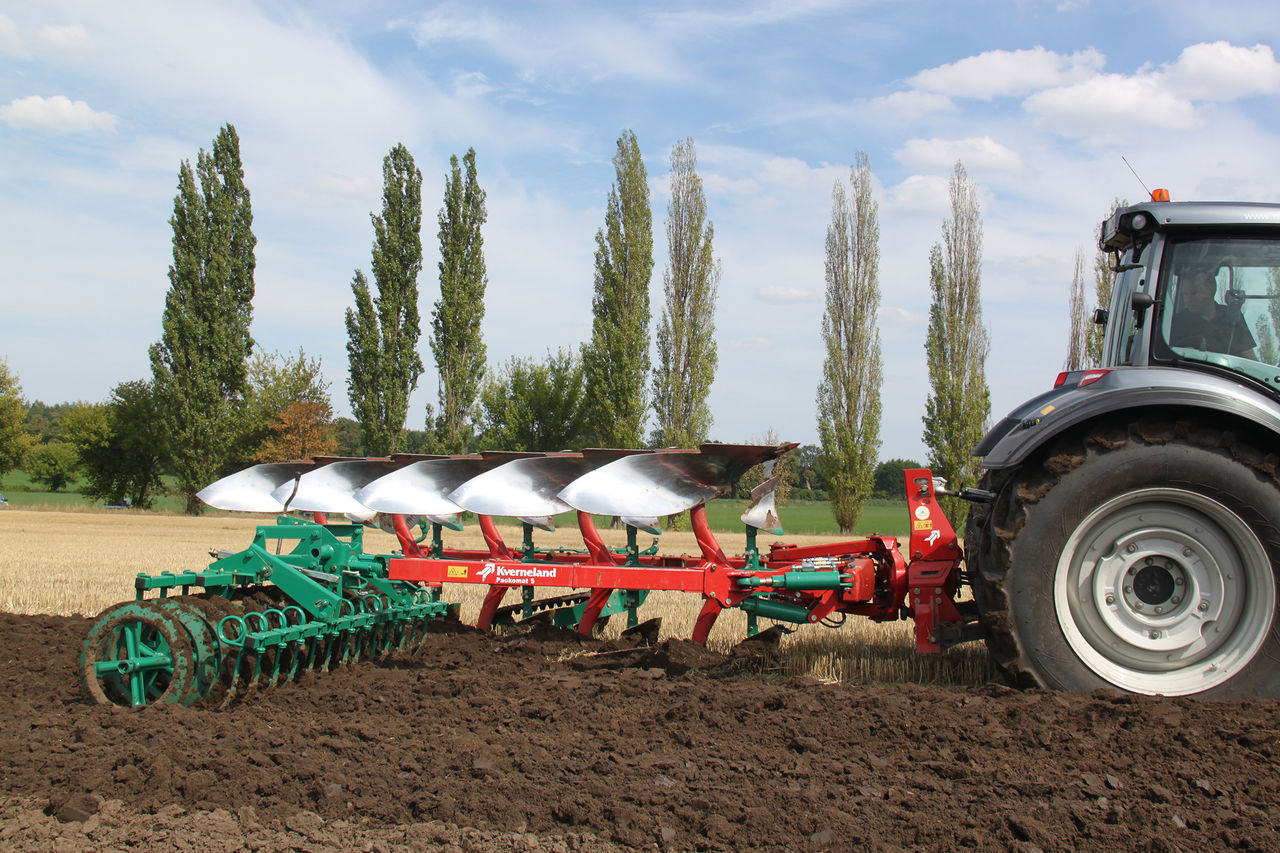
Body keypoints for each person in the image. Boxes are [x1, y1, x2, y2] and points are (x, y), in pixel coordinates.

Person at [1169, 269, 1257, 359]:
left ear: (1211, 291)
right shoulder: (1177, 322)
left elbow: (1249, 357)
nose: (1187, 299)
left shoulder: (1232, 317)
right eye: (1185, 294)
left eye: (1194, 293)